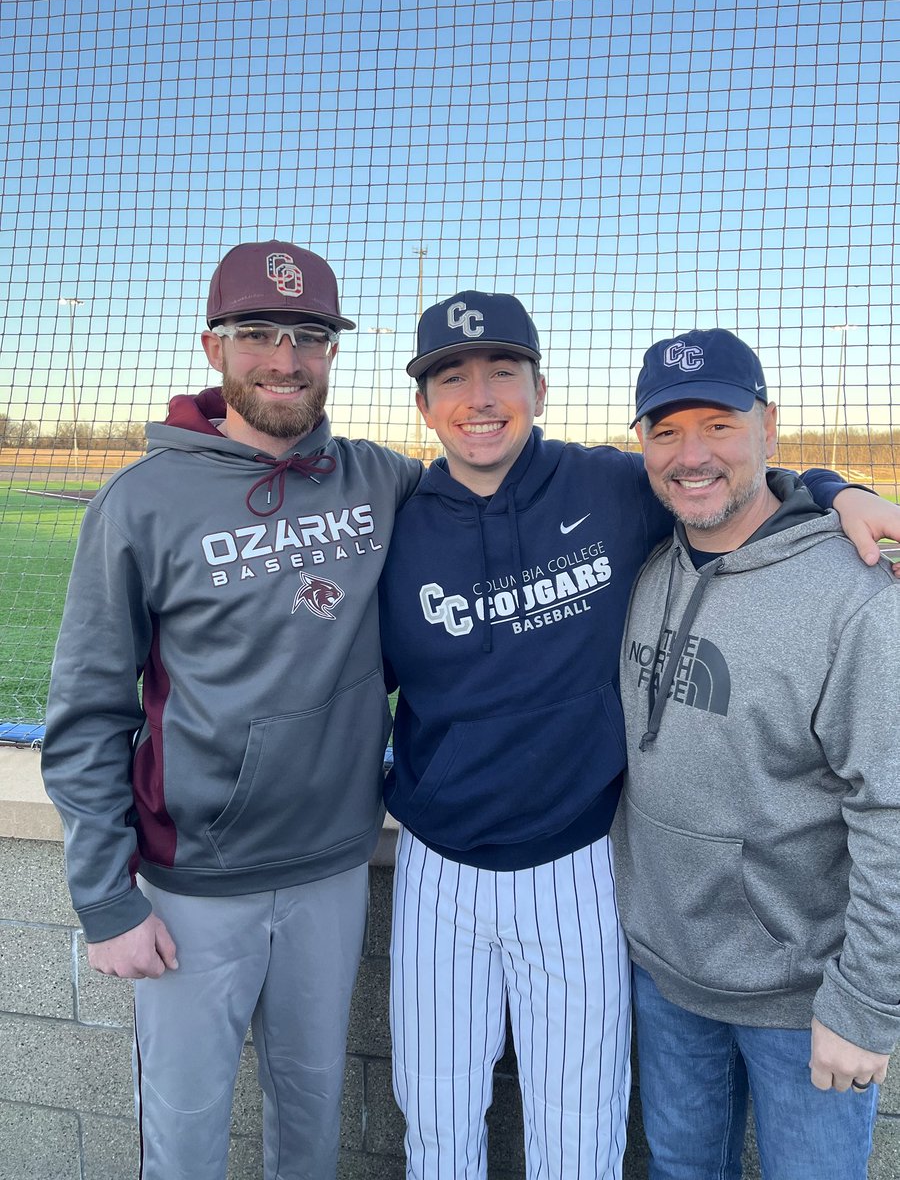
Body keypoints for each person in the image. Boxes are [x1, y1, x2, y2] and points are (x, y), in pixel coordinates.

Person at [377, 293, 900, 1180]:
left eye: (504, 370)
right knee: (434, 1121)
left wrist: (833, 488)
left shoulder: (612, 487)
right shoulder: (392, 519)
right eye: (451, 377)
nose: (481, 395)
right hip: (437, 864)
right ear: (423, 405)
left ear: (540, 388)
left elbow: (735, 485)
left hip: (583, 863)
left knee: (579, 1134)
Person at [41, 241, 422, 1180]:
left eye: (309, 336)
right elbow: (88, 712)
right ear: (214, 348)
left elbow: (525, 489)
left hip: (332, 868)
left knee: (312, 1117)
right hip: (189, 885)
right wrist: (103, 898)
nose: (284, 359)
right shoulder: (141, 502)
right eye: (257, 333)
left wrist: (811, 488)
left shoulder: (381, 481)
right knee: (183, 1130)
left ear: (333, 352)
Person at [613, 328, 899, 1180]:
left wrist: (867, 1002)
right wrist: (834, 485)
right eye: (665, 430)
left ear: (769, 426)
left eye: (719, 424)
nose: (691, 454)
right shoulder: (645, 564)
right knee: (679, 1169)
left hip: (803, 997)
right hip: (665, 976)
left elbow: (890, 806)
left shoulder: (855, 596)